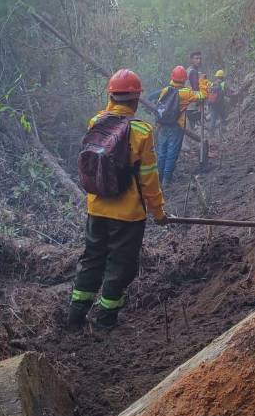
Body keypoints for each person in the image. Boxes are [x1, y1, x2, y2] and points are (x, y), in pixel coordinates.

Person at [68, 69, 169, 331]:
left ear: (110, 95)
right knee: (119, 266)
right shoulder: (142, 132)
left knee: (92, 258)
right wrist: (158, 212)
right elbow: (149, 179)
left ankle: (75, 315)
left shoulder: (96, 123)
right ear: (136, 99)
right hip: (128, 215)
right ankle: (105, 321)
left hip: (96, 208)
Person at [155, 65, 208, 186]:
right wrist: (203, 81)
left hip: (162, 126)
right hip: (176, 126)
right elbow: (202, 95)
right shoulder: (186, 93)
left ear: (172, 77)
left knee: (162, 152)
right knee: (171, 153)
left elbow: (159, 105)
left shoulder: (165, 90)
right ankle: (166, 181)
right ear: (185, 79)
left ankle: (159, 179)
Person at [185, 51, 203, 130]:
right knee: (193, 130)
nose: (199, 61)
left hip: (186, 104)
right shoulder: (193, 72)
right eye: (196, 58)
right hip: (193, 106)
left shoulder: (188, 70)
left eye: (200, 58)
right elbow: (196, 89)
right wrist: (200, 101)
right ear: (191, 60)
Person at [208, 69, 229, 137]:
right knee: (223, 117)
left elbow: (209, 92)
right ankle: (223, 130)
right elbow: (227, 92)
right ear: (222, 77)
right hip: (220, 104)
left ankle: (211, 134)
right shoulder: (223, 83)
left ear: (217, 76)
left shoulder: (212, 83)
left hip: (212, 104)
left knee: (213, 119)